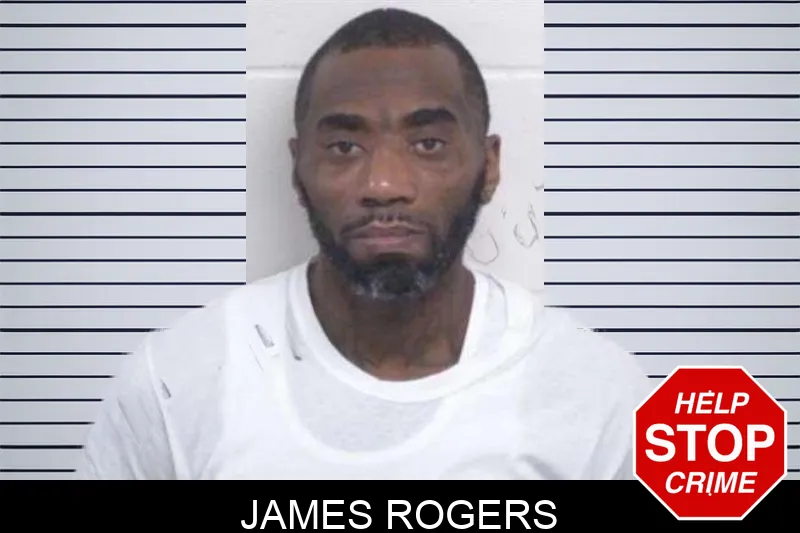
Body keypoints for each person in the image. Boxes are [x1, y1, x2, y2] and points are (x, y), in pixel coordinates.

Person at [75, 8, 651, 480]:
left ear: (489, 164)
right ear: (298, 170)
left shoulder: (602, 396)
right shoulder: (175, 385)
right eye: (345, 148)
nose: (384, 185)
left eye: (428, 144)